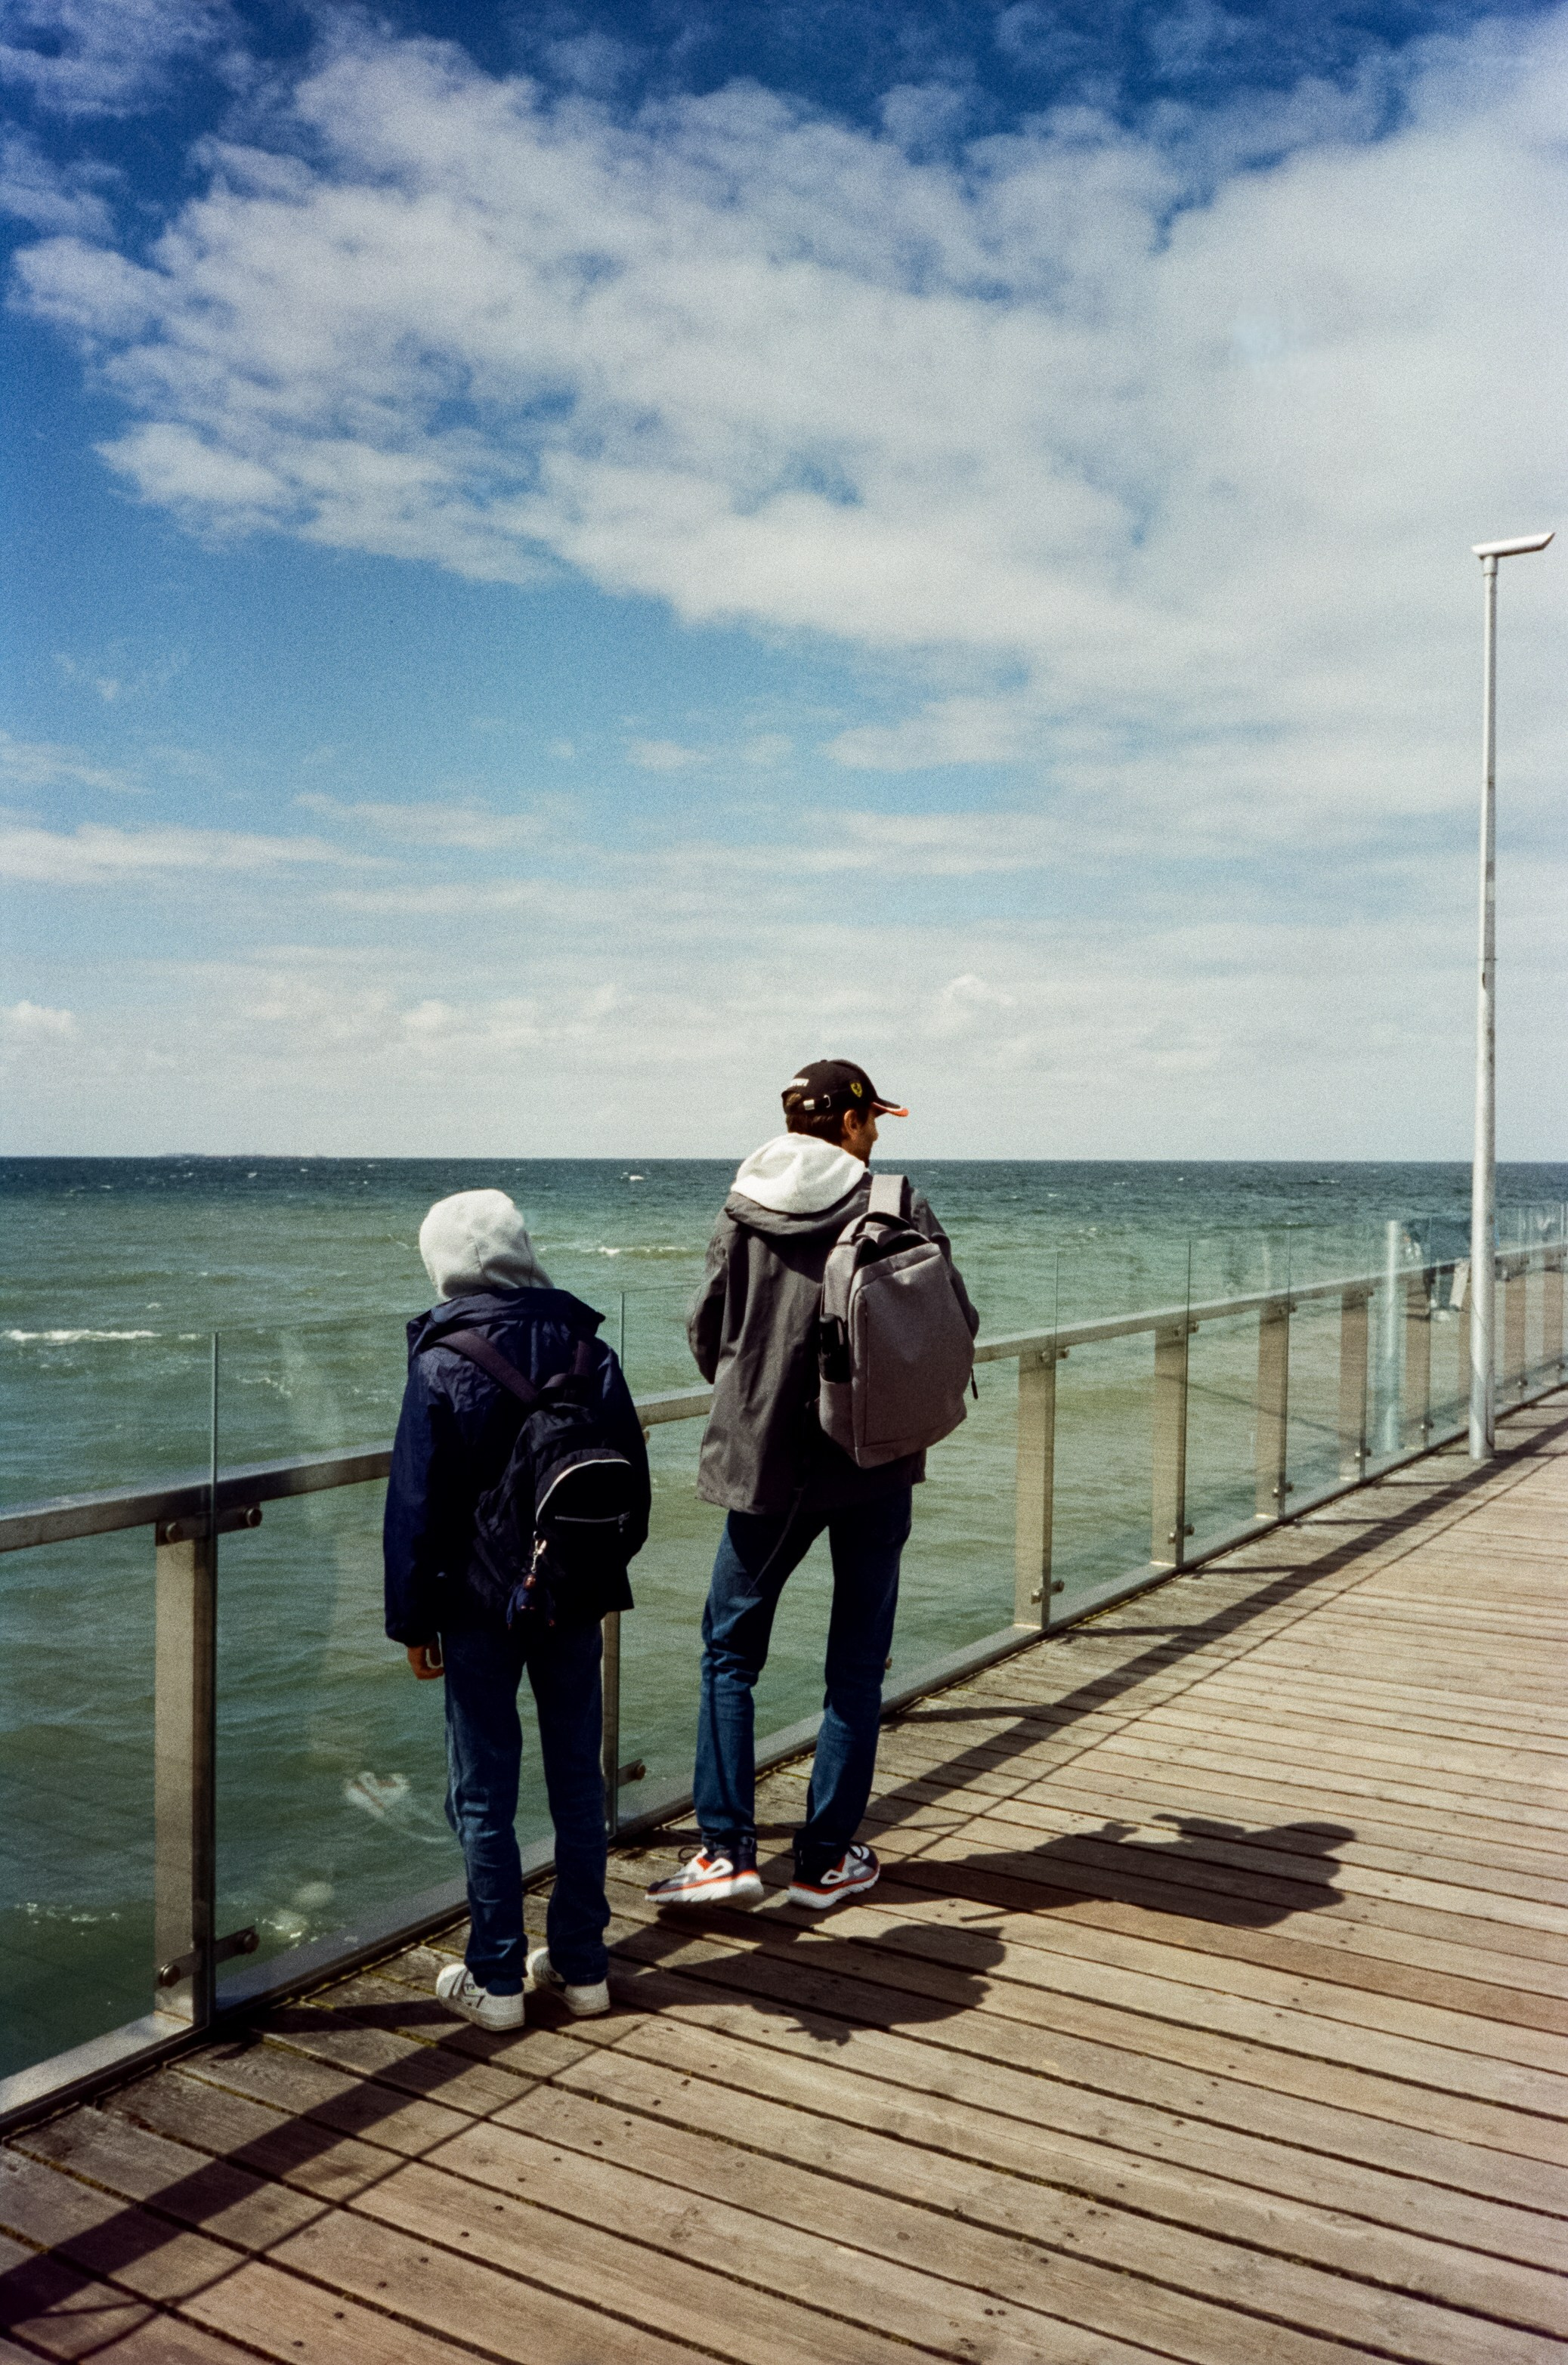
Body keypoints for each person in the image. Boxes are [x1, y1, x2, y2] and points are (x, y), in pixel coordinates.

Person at [647, 1060, 978, 1915]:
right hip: (871, 1460)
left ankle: (725, 1852)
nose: (878, 1136)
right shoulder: (894, 1203)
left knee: (729, 1654)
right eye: (873, 1121)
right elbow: (955, 1322)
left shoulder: (740, 1206)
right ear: (854, 1122)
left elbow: (707, 1328)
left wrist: (754, 1393)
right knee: (855, 1665)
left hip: (764, 1462)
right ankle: (826, 1860)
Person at [384, 1188, 650, 2032]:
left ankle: (496, 1978)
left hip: (474, 1607)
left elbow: (415, 1508)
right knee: (578, 1781)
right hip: (571, 1597)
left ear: (446, 1262)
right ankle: (583, 1966)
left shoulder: (439, 1356)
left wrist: (411, 1620)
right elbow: (631, 1489)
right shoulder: (586, 1345)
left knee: (483, 1790)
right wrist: (585, 1572)